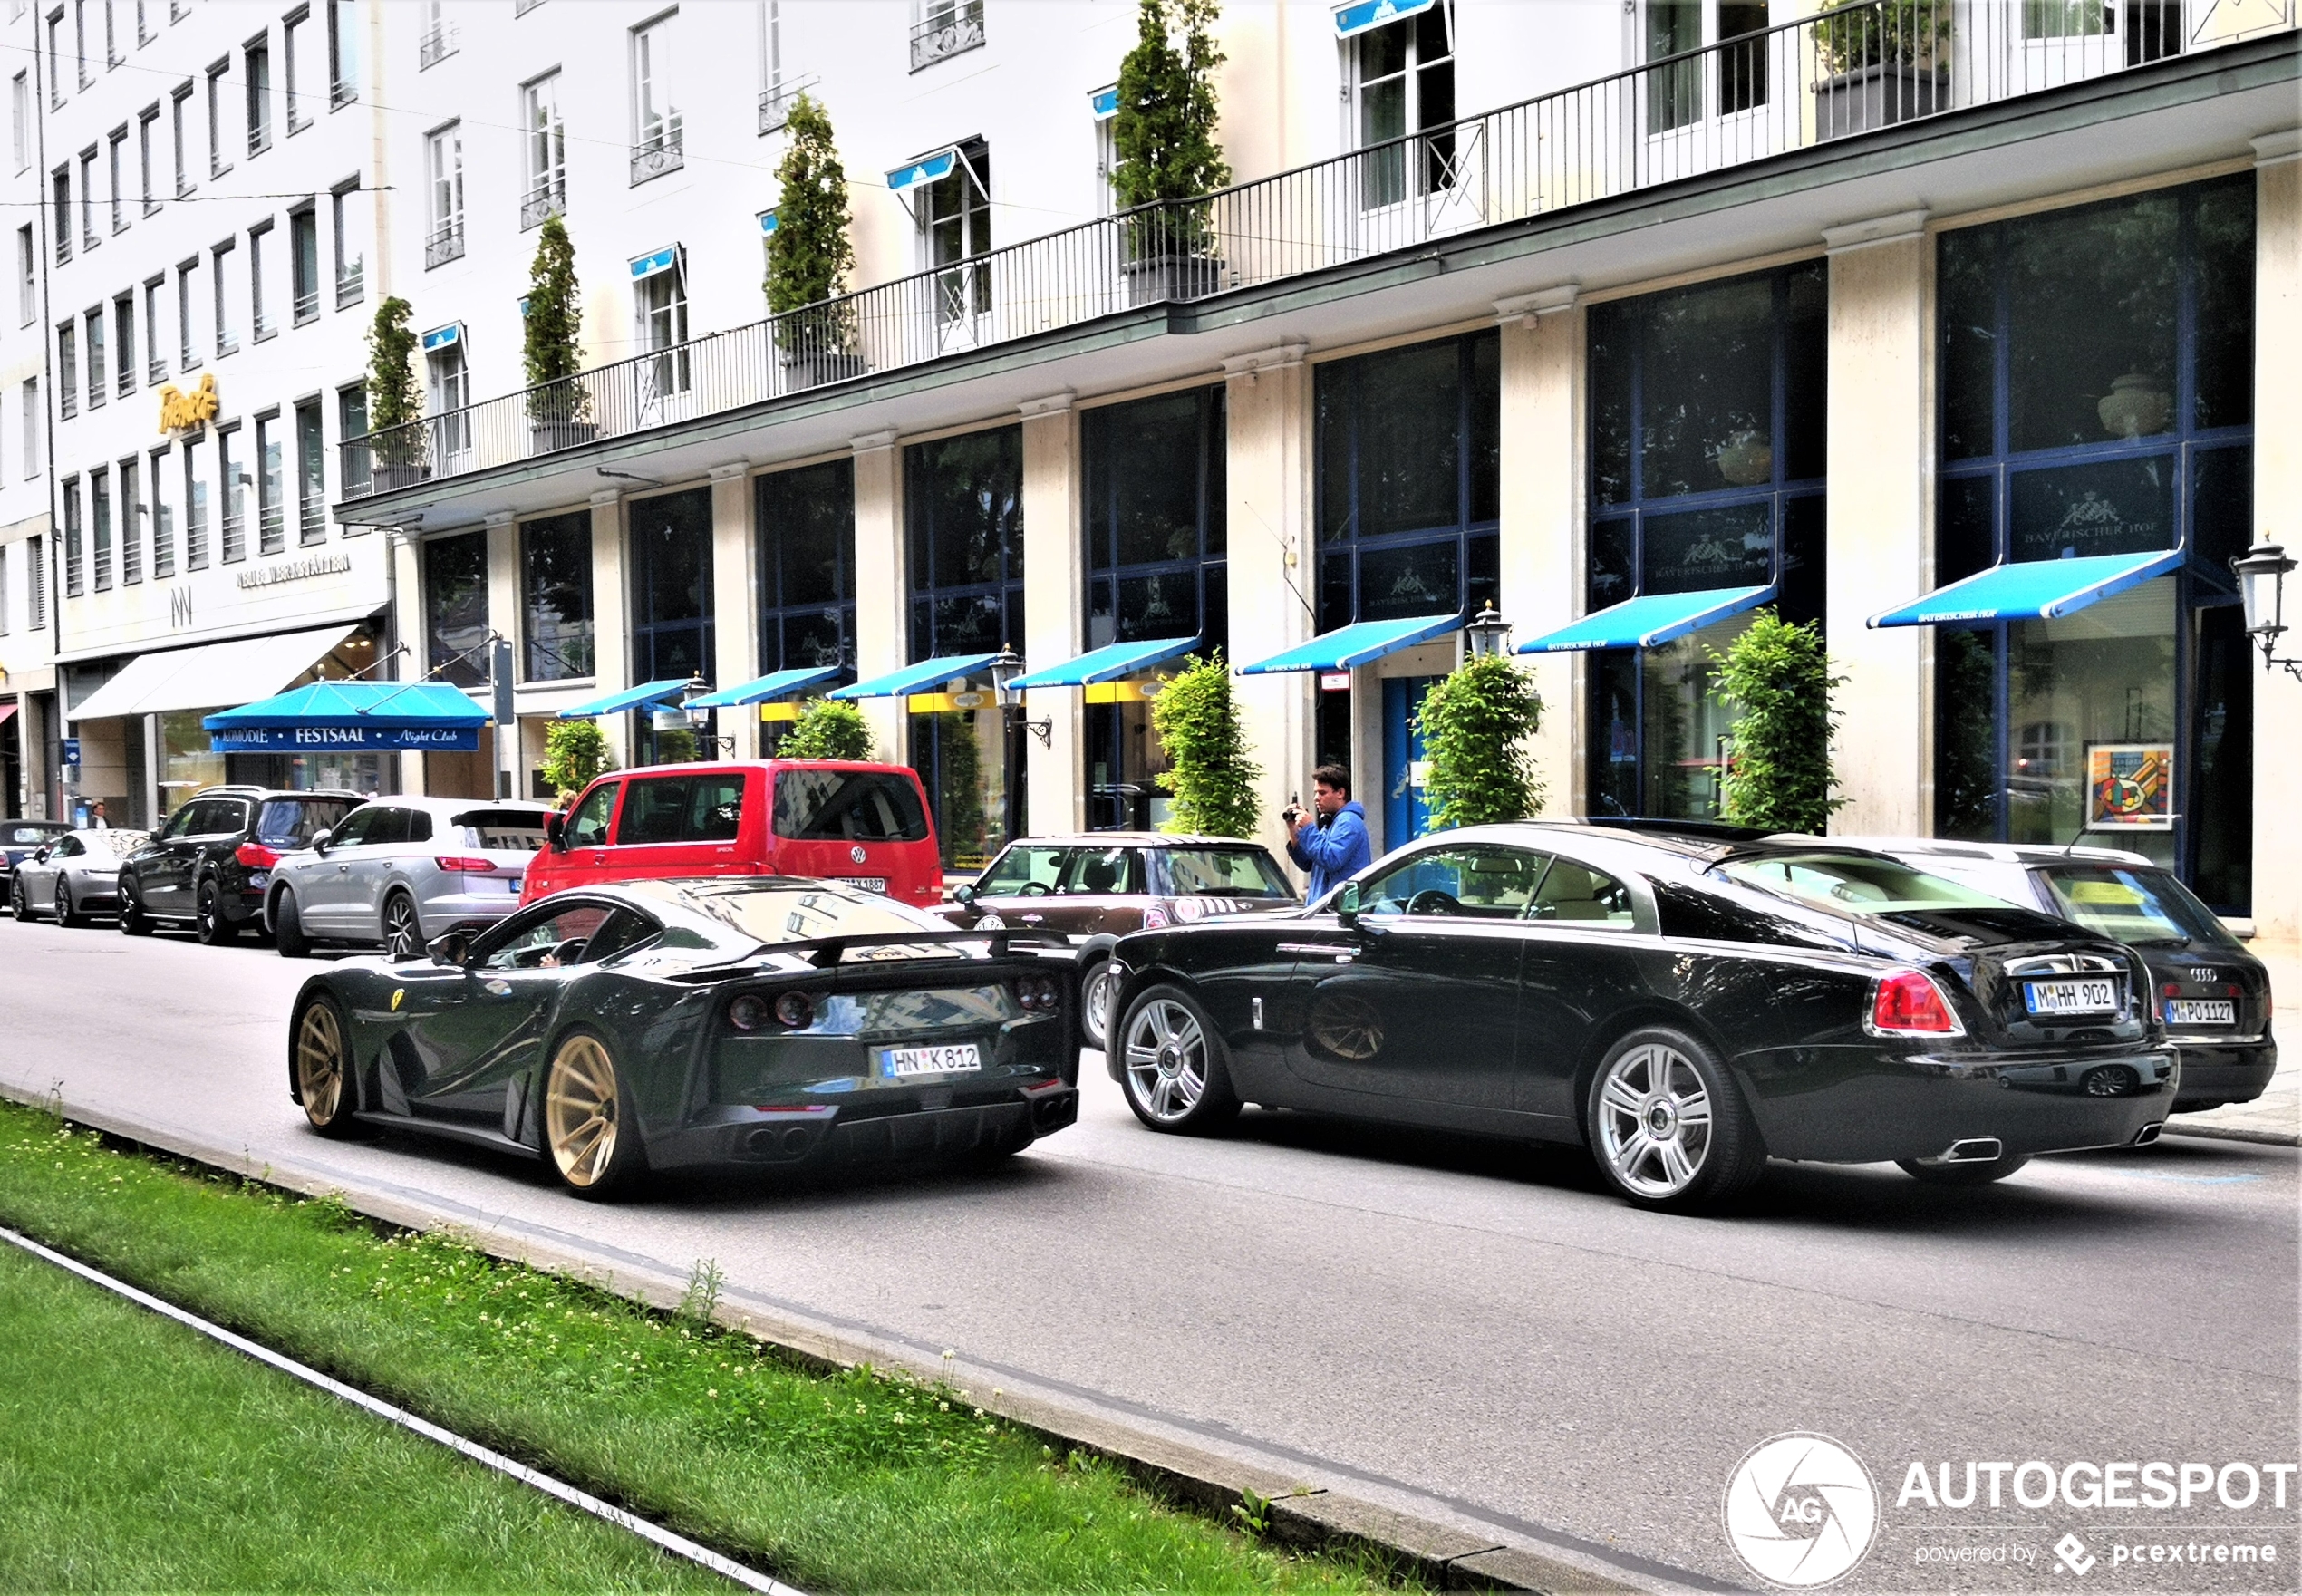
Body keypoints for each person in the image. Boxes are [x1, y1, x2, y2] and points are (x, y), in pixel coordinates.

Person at [1284, 761, 1369, 904]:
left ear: (1340, 793)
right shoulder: (1331, 822)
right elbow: (1307, 863)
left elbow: (1331, 859)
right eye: (1316, 793)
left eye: (1322, 793)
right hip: (1322, 909)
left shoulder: (1348, 821)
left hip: (1338, 912)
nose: (1316, 798)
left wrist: (1308, 828)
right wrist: (1293, 830)